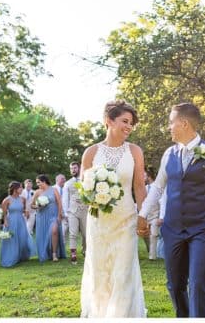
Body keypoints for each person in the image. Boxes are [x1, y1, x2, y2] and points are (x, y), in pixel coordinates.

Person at [138, 102, 205, 318]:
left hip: (201, 229)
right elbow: (157, 188)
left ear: (183, 123)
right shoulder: (168, 154)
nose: (169, 128)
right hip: (172, 229)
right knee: (174, 285)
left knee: (199, 283)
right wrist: (143, 214)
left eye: (171, 123)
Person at [80, 100, 147, 317]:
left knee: (123, 273)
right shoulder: (91, 153)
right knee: (100, 273)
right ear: (109, 120)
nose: (129, 126)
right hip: (99, 223)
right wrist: (96, 197)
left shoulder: (135, 151)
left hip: (126, 220)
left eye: (131, 123)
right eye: (124, 121)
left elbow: (139, 186)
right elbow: (84, 189)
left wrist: (142, 216)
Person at [0, 181, 32, 267]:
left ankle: (21, 256)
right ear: (15, 189)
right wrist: (5, 221)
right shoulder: (6, 200)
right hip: (11, 221)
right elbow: (4, 213)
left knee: (22, 238)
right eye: (20, 187)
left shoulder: (23, 199)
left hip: (21, 221)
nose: (22, 189)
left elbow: (24, 210)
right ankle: (12, 257)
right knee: (12, 239)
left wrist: (26, 213)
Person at [32, 173, 61, 262]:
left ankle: (54, 254)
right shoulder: (37, 192)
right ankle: (46, 252)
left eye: (39, 182)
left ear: (44, 181)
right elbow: (32, 205)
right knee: (44, 235)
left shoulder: (54, 190)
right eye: (37, 183)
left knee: (54, 231)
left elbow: (59, 203)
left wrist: (59, 215)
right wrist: (38, 206)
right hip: (41, 217)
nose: (38, 184)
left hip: (53, 215)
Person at [62, 162, 87, 263]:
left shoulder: (86, 180)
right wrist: (66, 213)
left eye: (75, 168)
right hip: (72, 211)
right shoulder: (67, 183)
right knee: (73, 234)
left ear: (79, 168)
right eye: (71, 168)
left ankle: (86, 251)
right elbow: (65, 199)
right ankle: (73, 255)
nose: (73, 170)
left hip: (85, 210)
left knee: (86, 234)